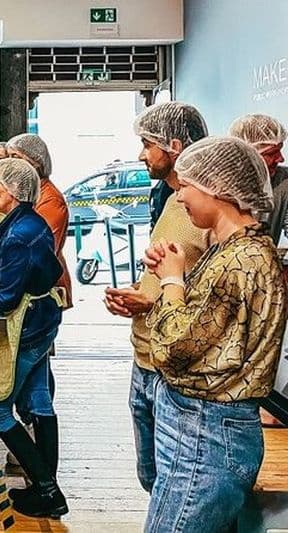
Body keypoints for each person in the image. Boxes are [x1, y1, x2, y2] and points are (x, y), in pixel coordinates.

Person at [142, 136, 286, 532]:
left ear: (218, 188)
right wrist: (175, 276)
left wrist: (171, 281)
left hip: (205, 432)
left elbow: (174, 346)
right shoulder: (239, 250)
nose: (180, 195)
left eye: (186, 185)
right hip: (205, 428)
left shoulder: (240, 259)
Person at [104, 101, 211, 494]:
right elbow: (168, 268)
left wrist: (153, 302)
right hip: (144, 354)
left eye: (148, 144)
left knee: (175, 487)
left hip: (175, 366)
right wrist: (138, 292)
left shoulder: (209, 211)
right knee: (152, 479)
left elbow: (212, 295)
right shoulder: (168, 199)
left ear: (175, 146)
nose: (141, 153)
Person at [0, 158, 67, 518]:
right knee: (39, 403)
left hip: (28, 327)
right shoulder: (31, 223)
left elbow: (6, 300)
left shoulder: (18, 235)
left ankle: (48, 490)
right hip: (44, 320)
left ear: (17, 192)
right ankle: (46, 490)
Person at [229, 113, 288, 245]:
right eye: (271, 154)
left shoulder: (283, 182)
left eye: (279, 151)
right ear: (246, 155)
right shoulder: (218, 186)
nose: (281, 159)